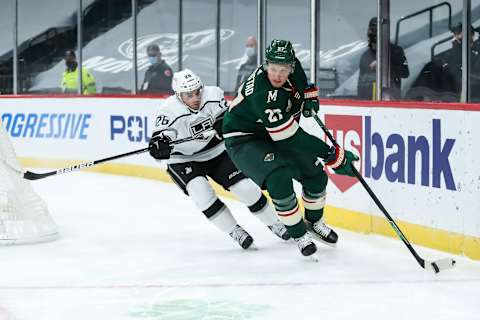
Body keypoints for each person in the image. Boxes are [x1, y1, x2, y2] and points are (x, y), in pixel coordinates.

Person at [222, 39, 359, 258]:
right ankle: (299, 233)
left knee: (315, 175)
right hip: (244, 139)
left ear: (291, 66)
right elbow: (289, 137)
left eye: (283, 69)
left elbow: (303, 85)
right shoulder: (263, 93)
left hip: (272, 134)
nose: (276, 75)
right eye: (273, 69)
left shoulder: (293, 69)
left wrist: (308, 96)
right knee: (279, 178)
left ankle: (314, 223)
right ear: (266, 65)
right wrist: (331, 154)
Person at [148, 68, 290, 250]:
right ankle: (234, 230)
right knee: (201, 194)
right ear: (178, 95)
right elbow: (160, 139)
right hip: (183, 159)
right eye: (189, 95)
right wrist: (159, 147)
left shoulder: (214, 95)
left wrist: (226, 123)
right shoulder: (168, 111)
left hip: (216, 151)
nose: (196, 97)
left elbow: (230, 119)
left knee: (245, 188)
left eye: (197, 91)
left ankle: (274, 223)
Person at [357, 17, 409, 100]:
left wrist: (383, 66)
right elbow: (361, 84)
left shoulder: (396, 51)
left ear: (385, 32)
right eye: (371, 31)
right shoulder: (366, 56)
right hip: (369, 103)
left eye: (376, 31)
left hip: (391, 101)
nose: (373, 35)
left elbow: (405, 73)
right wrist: (360, 104)